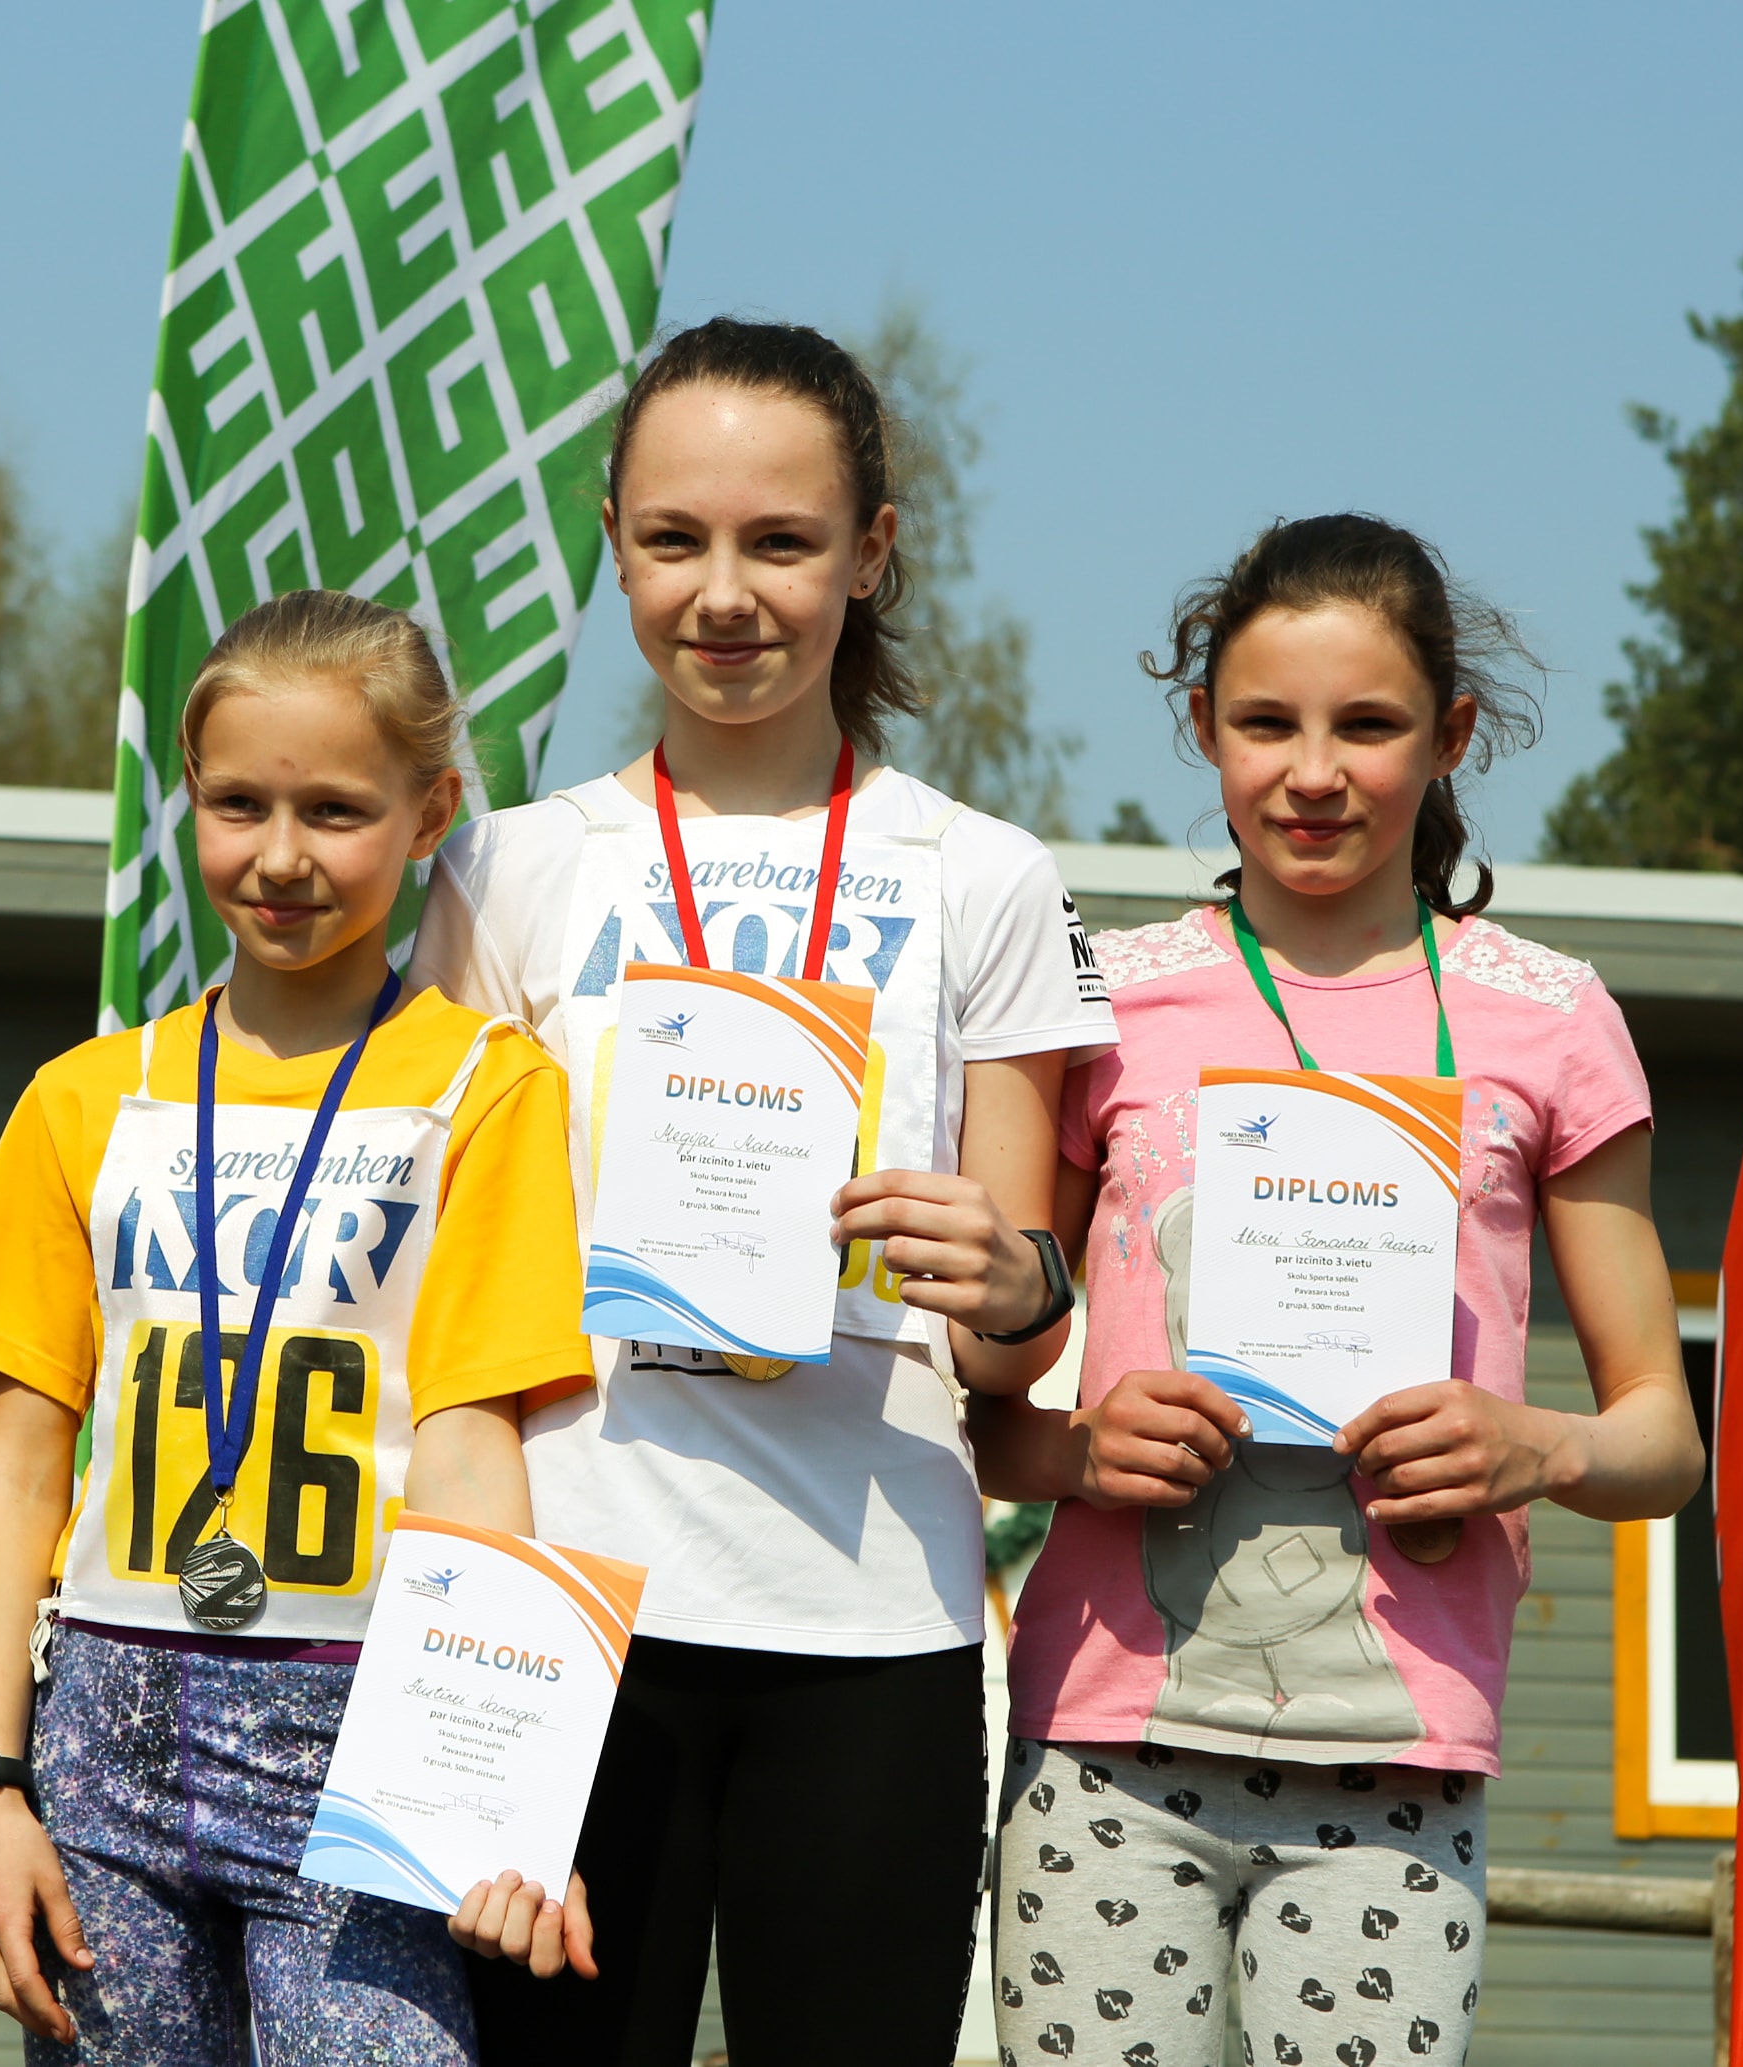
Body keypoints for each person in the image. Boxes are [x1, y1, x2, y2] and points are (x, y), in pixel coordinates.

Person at [414, 315, 1117, 2067]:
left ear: (871, 553)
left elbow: (1019, 1339)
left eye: (782, 542)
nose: (724, 594)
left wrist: (1012, 1281)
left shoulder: (985, 876)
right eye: (675, 539)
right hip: (572, 1620)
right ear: (614, 543)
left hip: (873, 1621)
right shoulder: (508, 869)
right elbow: (443, 1296)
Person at [971, 514, 1704, 2067]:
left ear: (1451, 736)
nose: (1314, 772)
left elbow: (1663, 1440)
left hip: (1401, 1763)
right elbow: (976, 1405)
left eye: (1368, 725)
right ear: (1203, 727)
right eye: (1267, 723)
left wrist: (1538, 1446)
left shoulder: (1554, 1019)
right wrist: (1080, 1450)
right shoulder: (1100, 1000)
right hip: (1103, 1746)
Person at [0, 591, 593, 2064]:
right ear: (190, 800)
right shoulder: (84, 1097)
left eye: (336, 811)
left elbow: (474, 1454)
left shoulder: (487, 1089)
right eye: (239, 805)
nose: (281, 857)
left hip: (365, 1730)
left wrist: (505, 1793)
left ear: (431, 815)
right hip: (103, 1736)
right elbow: (22, 1466)